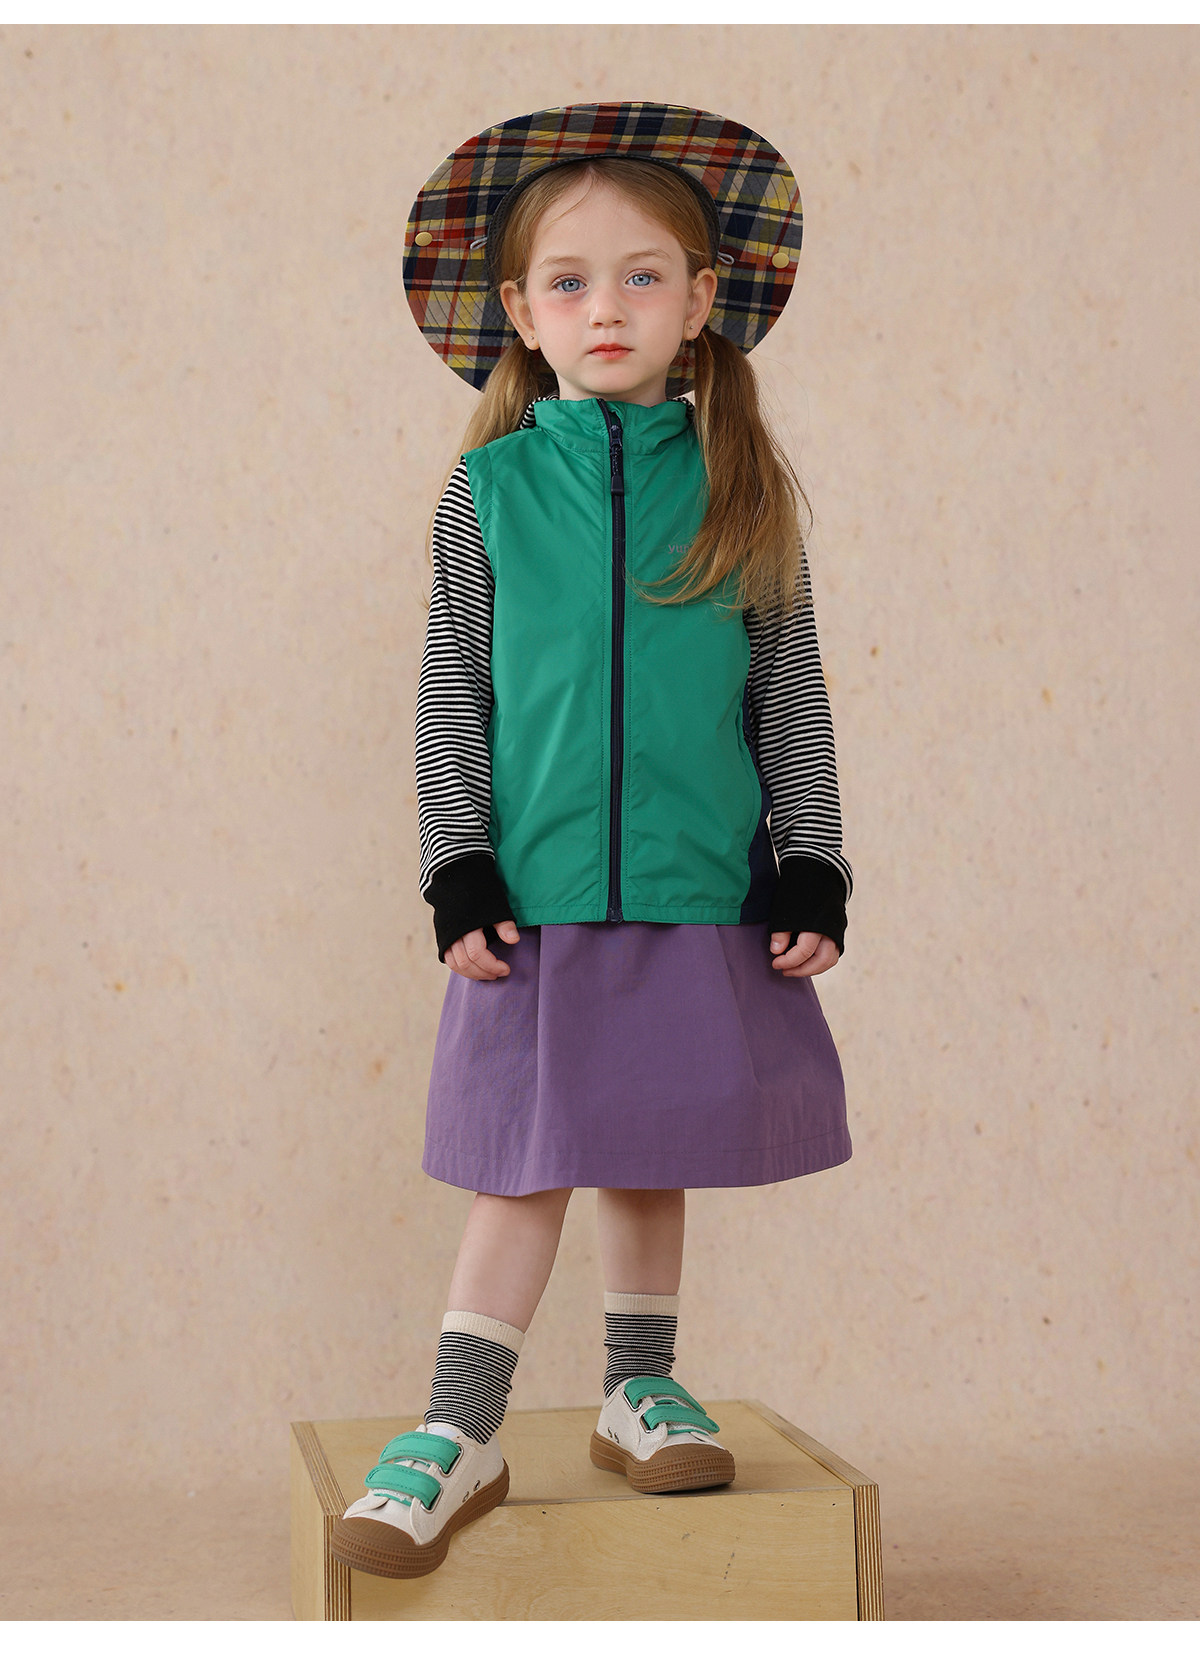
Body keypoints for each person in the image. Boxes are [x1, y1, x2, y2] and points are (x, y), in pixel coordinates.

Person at [330, 101, 855, 1582]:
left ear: (701, 301)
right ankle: (461, 1426)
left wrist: (811, 858)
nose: (605, 307)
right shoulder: (490, 493)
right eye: (569, 281)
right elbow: (455, 692)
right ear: (520, 311)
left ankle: (639, 1387)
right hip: (539, 895)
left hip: (698, 888)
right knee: (524, 1163)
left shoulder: (743, 493)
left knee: (650, 1142)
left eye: (641, 276)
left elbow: (788, 691)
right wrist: (458, 868)